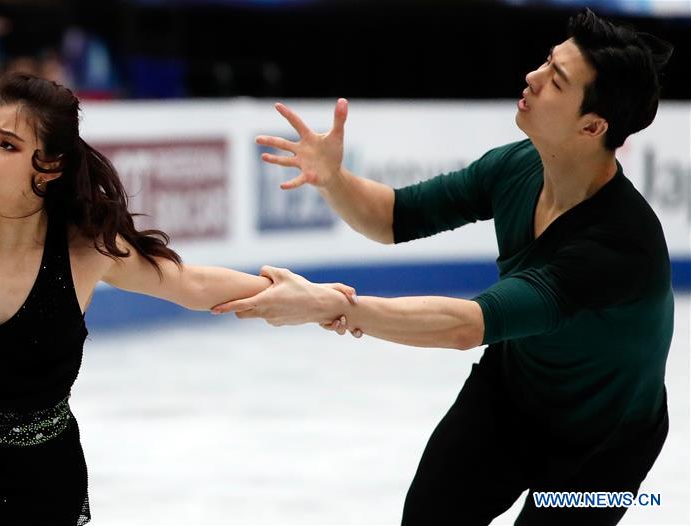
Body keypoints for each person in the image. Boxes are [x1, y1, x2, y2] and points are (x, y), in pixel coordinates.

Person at [0, 72, 356, 525]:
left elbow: (193, 285)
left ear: (51, 165)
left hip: (40, 479)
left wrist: (304, 298)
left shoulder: (85, 252)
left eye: (7, 144)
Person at [213, 9, 674, 525]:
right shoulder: (518, 165)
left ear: (593, 125)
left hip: (605, 449)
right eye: (546, 62)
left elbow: (466, 326)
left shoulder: (617, 247)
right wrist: (333, 179)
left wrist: (335, 305)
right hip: (513, 397)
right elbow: (394, 216)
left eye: (556, 81)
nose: (533, 77)